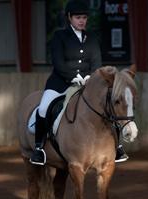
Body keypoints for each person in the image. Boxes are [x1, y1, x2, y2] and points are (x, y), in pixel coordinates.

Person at [30, 0, 128, 165]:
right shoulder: (59, 36)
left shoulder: (92, 38)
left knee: (109, 105)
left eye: (84, 17)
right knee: (44, 107)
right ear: (69, 18)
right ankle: (39, 149)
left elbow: (97, 63)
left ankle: (117, 147)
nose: (82, 20)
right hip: (60, 83)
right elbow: (58, 62)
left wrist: (91, 77)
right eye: (78, 17)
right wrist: (72, 76)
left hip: (88, 85)